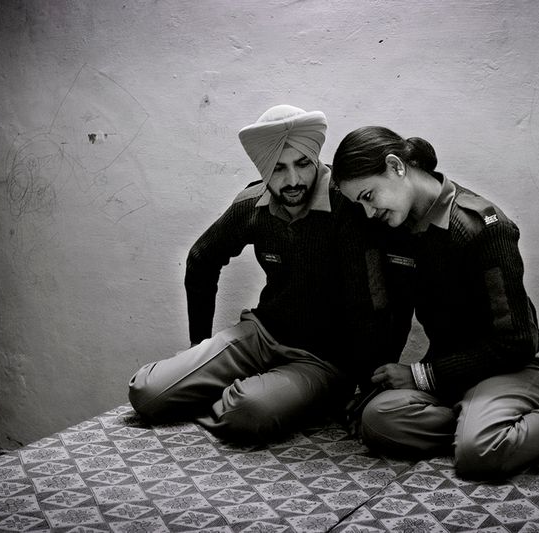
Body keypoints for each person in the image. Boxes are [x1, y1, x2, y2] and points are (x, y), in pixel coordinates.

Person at [330, 125, 539, 479]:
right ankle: (481, 425)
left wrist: (422, 376)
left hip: (512, 368)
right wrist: (374, 387)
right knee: (377, 421)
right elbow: (390, 311)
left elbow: (517, 341)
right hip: (451, 378)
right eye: (360, 203)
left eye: (369, 196)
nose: (369, 212)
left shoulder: (482, 227)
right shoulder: (394, 229)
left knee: (479, 455)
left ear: (397, 166)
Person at [128, 106, 390, 442]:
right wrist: (199, 343)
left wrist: (367, 385)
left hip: (323, 360)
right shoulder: (251, 206)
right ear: (262, 167)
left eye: (303, 164)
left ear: (317, 160)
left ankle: (271, 394)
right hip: (261, 334)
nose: (293, 180)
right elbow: (200, 259)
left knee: (247, 413)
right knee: (146, 393)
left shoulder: (348, 207)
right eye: (278, 168)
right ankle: (252, 388)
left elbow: (374, 306)